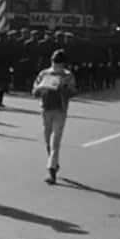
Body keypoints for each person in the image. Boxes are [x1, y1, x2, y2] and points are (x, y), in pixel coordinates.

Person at [32, 49, 77, 185]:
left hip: (60, 109)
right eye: (54, 62)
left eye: (59, 63)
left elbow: (73, 91)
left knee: (55, 142)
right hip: (46, 109)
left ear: (64, 64)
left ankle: (51, 171)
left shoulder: (68, 76)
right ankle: (54, 162)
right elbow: (34, 91)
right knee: (47, 139)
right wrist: (41, 89)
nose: (56, 65)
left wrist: (64, 88)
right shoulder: (44, 73)